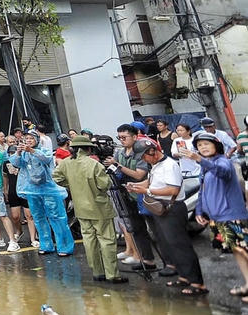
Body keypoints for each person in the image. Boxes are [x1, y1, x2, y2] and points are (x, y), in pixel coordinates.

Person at [127, 142, 206, 296]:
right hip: (161, 208)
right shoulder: (155, 165)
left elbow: (172, 189)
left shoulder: (169, 165)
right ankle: (184, 276)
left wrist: (146, 190)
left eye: (144, 156)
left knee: (180, 246)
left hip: (172, 208)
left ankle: (197, 282)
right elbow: (150, 182)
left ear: (152, 151)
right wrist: (136, 186)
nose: (144, 160)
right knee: (168, 244)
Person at [53, 135, 127, 284]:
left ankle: (97, 272)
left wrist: (71, 184)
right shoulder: (94, 164)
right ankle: (112, 274)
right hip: (99, 207)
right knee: (106, 240)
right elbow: (104, 185)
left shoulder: (67, 163)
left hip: (80, 207)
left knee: (89, 240)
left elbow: (56, 177)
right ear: (88, 148)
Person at [183, 133, 248, 302]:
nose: (203, 147)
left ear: (216, 145)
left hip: (232, 215)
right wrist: (199, 211)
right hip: (217, 217)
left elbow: (223, 172)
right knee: (237, 251)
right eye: (200, 145)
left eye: (206, 144)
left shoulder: (222, 161)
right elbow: (202, 191)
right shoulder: (207, 166)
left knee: (243, 250)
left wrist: (199, 160)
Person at [9, 133, 74, 256]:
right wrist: (18, 153)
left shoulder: (44, 150)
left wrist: (32, 151)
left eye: (31, 138)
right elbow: (16, 163)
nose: (28, 141)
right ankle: (46, 245)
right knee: (38, 218)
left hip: (49, 190)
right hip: (32, 190)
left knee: (57, 217)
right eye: (26, 139)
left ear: (37, 140)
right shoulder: (24, 153)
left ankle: (65, 247)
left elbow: (46, 158)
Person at [106, 124, 158, 270]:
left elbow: (139, 174)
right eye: (119, 137)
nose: (122, 140)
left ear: (135, 137)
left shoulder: (141, 152)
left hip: (143, 195)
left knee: (155, 229)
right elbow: (116, 171)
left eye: (124, 137)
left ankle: (169, 262)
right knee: (136, 228)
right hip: (126, 194)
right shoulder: (120, 153)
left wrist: (117, 165)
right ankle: (146, 259)